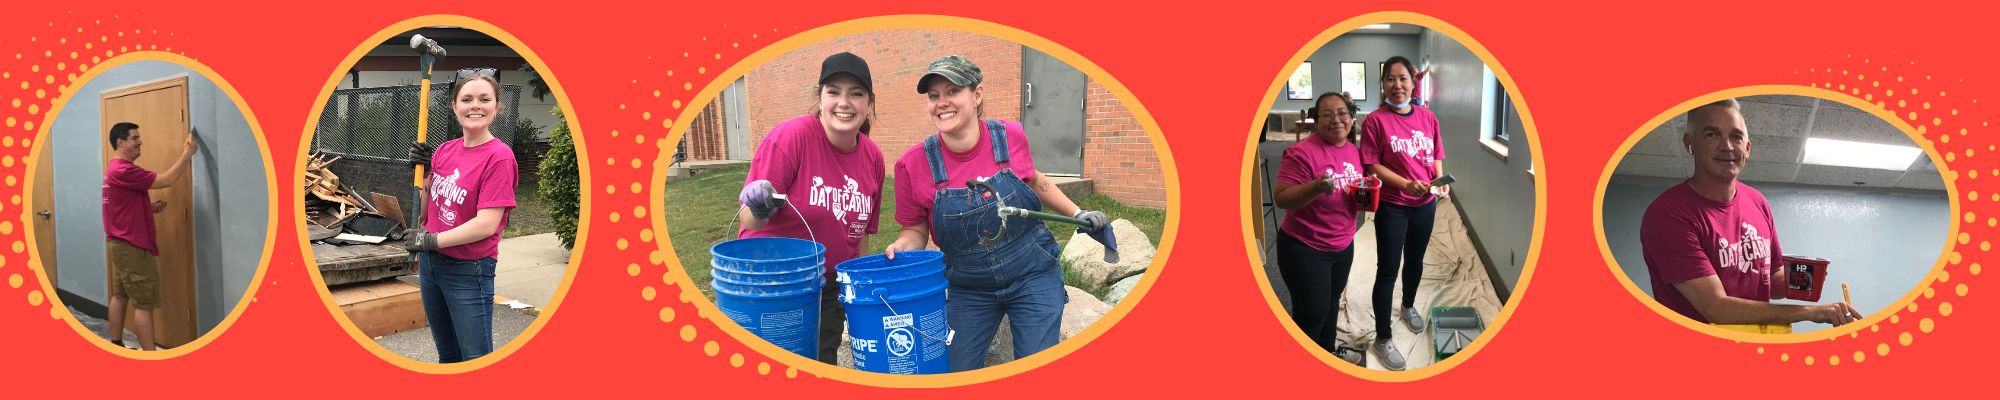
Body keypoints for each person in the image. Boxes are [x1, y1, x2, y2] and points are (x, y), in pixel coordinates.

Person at [884, 55, 1109, 372]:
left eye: (952, 91)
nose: (942, 103)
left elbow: (1034, 179)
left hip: (1032, 274)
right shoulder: (912, 164)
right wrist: (902, 248)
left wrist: (1079, 212)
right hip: (968, 287)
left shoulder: (1009, 136)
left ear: (976, 96)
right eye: (934, 96)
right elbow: (915, 230)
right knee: (952, 371)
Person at [1640, 98, 1861, 328]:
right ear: (1690, 143)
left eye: (1736, 136)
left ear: (1747, 148)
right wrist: (1810, 312)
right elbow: (1716, 308)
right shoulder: (1668, 214)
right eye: (1712, 134)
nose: (1727, 146)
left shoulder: (1757, 202)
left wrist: (1803, 278)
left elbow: (1770, 280)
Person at [736, 51, 886, 364]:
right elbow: (749, 222)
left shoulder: (873, 157)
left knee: (821, 363)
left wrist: (856, 289)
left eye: (856, 94)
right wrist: (759, 205)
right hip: (773, 285)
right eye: (834, 92)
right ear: (820, 98)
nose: (844, 103)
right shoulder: (792, 138)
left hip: (827, 290)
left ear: (869, 103)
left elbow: (858, 236)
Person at [402, 68, 519, 363]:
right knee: (449, 356)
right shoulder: (444, 150)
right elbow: (428, 210)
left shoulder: (499, 156)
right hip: (432, 265)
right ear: (455, 106)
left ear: (496, 106)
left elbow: (486, 224)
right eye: (466, 99)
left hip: (468, 270)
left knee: (475, 358)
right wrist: (424, 175)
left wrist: (431, 241)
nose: (475, 105)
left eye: (484, 99)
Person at [1357, 55, 1447, 371]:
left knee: (1416, 261)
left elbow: (1436, 153)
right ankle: (1383, 338)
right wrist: (1406, 185)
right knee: (1388, 269)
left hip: (1425, 205)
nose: (1397, 85)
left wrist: (1438, 182)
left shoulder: (1428, 117)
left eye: (1403, 79)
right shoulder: (1375, 121)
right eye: (1390, 79)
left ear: (1413, 82)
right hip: (1393, 206)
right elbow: (1371, 164)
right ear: (1383, 84)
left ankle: (1408, 305)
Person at [1272, 92, 1367, 365]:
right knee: (1311, 314)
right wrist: (1315, 186)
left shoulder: (1352, 150)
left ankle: (1328, 355)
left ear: (1351, 119)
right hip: (1305, 248)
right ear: (1316, 121)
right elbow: (1281, 198)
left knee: (1331, 303)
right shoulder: (1302, 152)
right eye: (1327, 114)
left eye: (1342, 113)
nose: (1336, 119)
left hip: (1342, 244)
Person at [102, 122, 197, 351]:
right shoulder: (125, 170)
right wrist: (187, 153)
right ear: (121, 142)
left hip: (120, 244)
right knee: (145, 304)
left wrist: (148, 208)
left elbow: (121, 205)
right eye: (134, 138)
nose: (139, 142)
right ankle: (150, 357)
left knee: (120, 294)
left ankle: (115, 344)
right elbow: (166, 180)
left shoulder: (115, 169)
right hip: (132, 247)